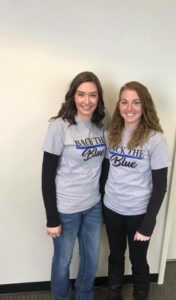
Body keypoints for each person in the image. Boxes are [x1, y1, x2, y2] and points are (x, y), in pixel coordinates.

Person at [41, 71, 106, 300]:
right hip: (66, 207)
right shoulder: (60, 127)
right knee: (63, 261)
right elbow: (47, 175)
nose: (87, 101)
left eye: (92, 95)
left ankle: (84, 296)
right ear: (73, 96)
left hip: (93, 206)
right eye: (81, 94)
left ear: (98, 98)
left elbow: (104, 168)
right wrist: (52, 218)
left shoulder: (101, 127)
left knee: (91, 259)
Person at [103, 81, 170, 300]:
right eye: (124, 102)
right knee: (115, 256)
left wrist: (148, 222)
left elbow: (160, 186)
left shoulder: (155, 139)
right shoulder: (110, 133)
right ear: (119, 105)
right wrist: (103, 203)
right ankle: (114, 295)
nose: (129, 108)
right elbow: (105, 172)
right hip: (112, 208)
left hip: (138, 213)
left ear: (144, 106)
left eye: (135, 102)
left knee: (138, 261)